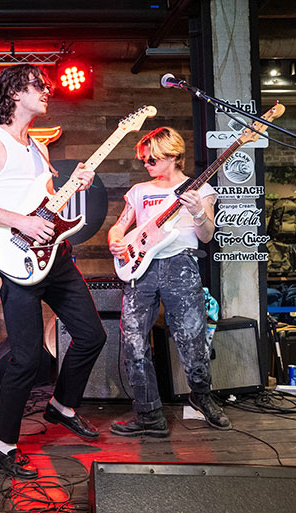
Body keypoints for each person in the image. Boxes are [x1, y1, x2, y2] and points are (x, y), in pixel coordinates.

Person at [0, 64, 107, 479]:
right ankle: (1, 447)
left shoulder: (39, 146)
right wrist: (20, 223)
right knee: (25, 359)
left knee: (92, 336)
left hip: (55, 257)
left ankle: (61, 406)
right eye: (38, 86)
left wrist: (75, 186)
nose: (46, 91)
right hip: (16, 259)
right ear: (14, 93)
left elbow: (47, 207)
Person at [107, 126, 231, 437]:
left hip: (181, 264)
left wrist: (198, 212)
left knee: (192, 339)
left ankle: (201, 395)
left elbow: (207, 236)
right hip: (141, 268)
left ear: (173, 156)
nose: (146, 164)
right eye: (144, 160)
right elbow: (120, 226)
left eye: (152, 159)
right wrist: (116, 241)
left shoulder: (199, 190)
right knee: (133, 341)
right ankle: (149, 414)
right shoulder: (139, 191)